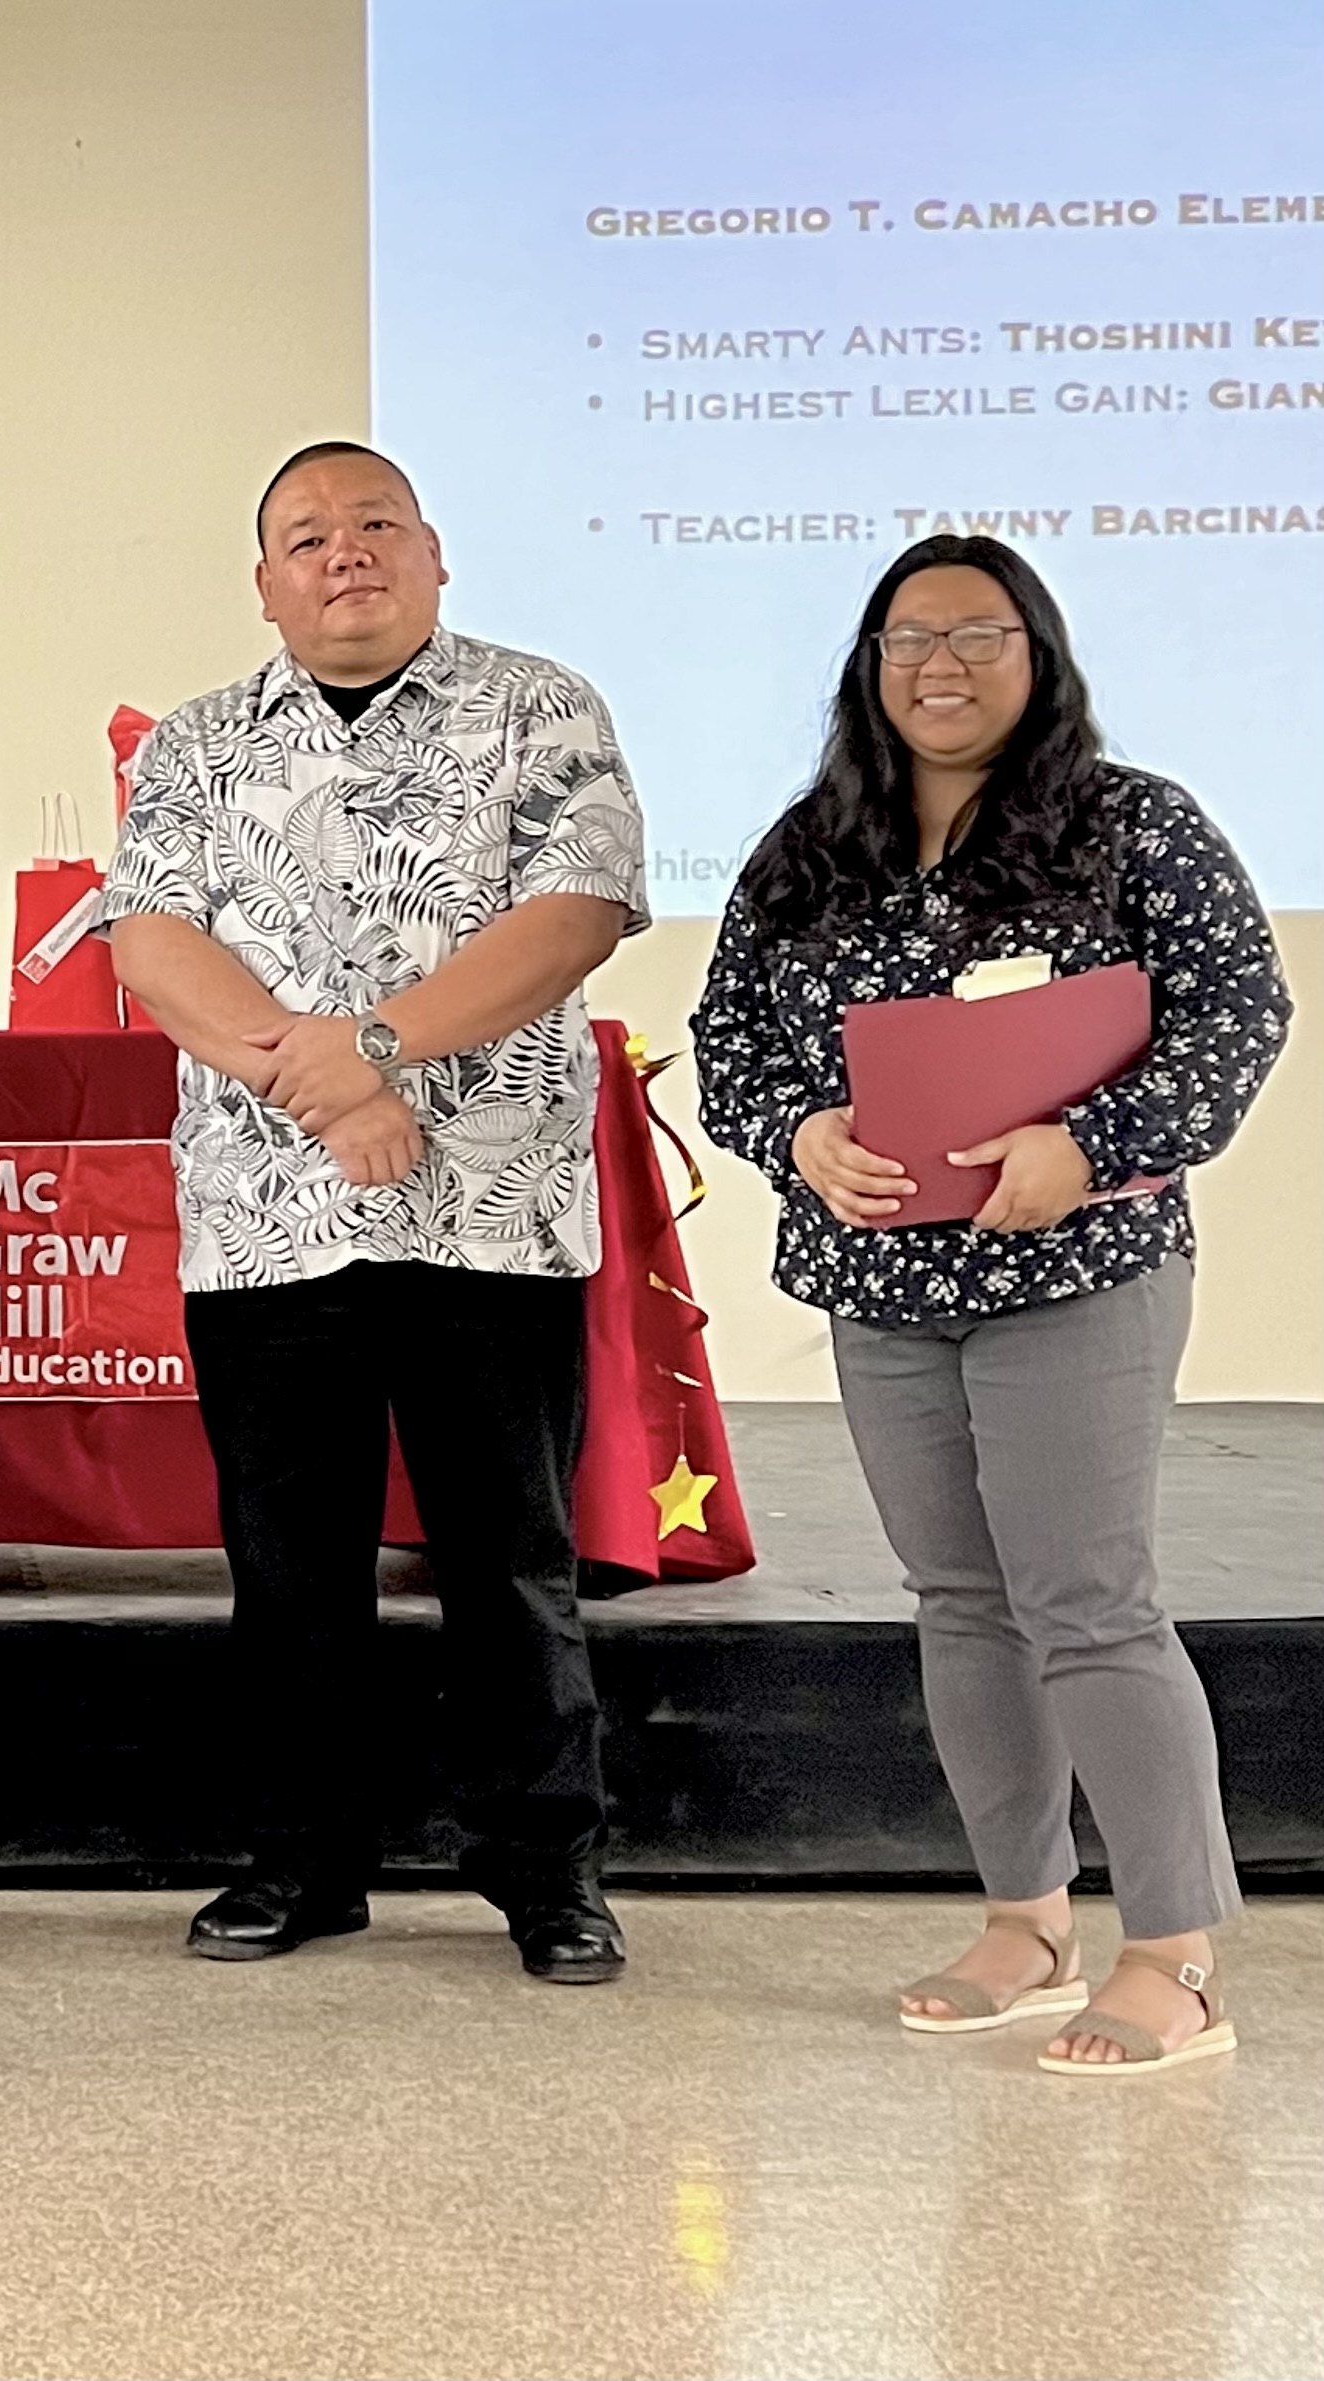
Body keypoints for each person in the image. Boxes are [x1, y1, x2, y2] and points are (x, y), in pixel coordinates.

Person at [696, 536, 1290, 2074]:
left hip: (1075, 1268)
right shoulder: (810, 844)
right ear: (866, 663)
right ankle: (1025, 1920)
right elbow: (733, 1040)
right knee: (959, 1606)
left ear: (1037, 652)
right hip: (885, 1279)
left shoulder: (1131, 826)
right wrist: (796, 1135)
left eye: (974, 633)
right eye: (905, 638)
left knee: (1087, 1604)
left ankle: (1175, 1953)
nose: (936, 665)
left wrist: (1086, 1146)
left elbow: (1237, 1013)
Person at [107, 440, 646, 1986]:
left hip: (491, 1212)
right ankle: (300, 1862)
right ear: (263, 583)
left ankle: (546, 1873)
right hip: (269, 1220)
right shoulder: (199, 744)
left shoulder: (540, 708)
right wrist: (326, 1087)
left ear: (432, 553)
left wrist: (381, 1048)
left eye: (372, 526)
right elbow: (149, 938)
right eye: (304, 537)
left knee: (508, 1564)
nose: (343, 553)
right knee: (288, 1570)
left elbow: (574, 917)